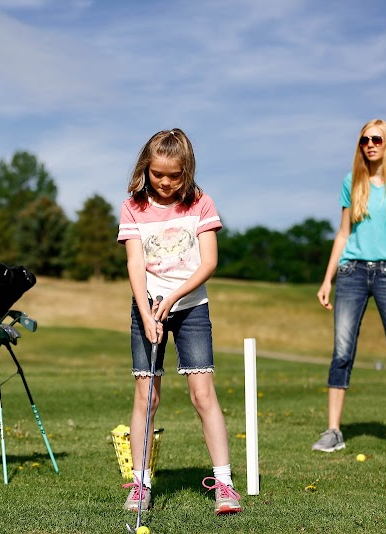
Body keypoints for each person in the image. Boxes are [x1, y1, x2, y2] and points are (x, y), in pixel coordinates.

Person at [116, 128, 242, 516]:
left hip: (191, 310)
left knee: (202, 395)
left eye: (175, 175)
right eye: (158, 174)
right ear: (145, 168)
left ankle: (224, 484)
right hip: (147, 308)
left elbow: (209, 263)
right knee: (147, 396)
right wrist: (146, 309)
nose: (167, 183)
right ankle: (140, 484)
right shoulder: (132, 208)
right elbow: (135, 263)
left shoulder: (201, 204)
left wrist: (172, 298)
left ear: (187, 170)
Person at [314, 119, 386, 455]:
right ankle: (333, 430)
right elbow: (343, 233)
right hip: (351, 273)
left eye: (376, 138)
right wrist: (327, 278)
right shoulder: (353, 181)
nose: (370, 144)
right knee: (342, 351)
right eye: (364, 139)